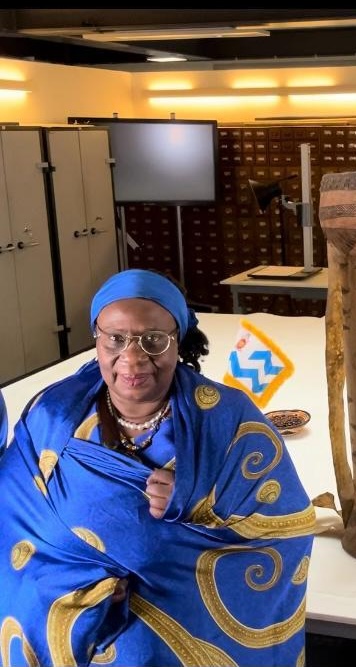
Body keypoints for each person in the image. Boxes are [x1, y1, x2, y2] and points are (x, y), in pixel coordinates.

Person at [0, 269, 316, 667]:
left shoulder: (228, 419)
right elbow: (12, 520)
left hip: (186, 622)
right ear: (95, 339)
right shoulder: (53, 416)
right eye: (114, 338)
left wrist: (200, 500)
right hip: (73, 618)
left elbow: (287, 530)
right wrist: (73, 582)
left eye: (153, 340)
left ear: (178, 342)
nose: (132, 358)